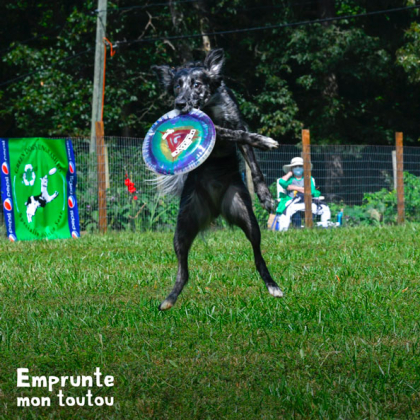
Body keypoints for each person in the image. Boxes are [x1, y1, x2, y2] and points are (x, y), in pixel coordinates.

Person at [276, 157, 331, 231]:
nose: (298, 168)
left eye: (300, 166)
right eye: (295, 167)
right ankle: (294, 230)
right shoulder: (290, 179)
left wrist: (294, 187)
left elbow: (311, 191)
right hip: (293, 202)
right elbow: (281, 182)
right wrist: (289, 173)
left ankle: (321, 228)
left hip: (307, 201)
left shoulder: (308, 178)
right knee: (294, 213)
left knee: (323, 208)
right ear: (292, 168)